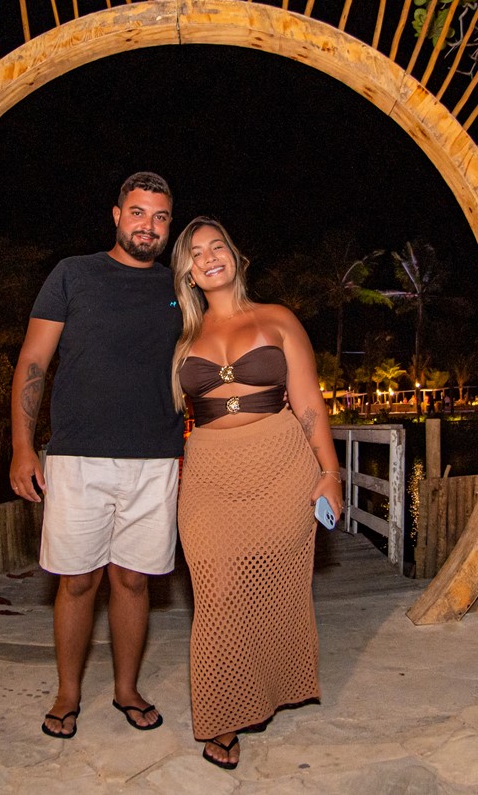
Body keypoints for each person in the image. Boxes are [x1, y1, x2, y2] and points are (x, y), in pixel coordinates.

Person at [9, 171, 184, 740]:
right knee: (78, 581)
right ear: (116, 215)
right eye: (138, 213)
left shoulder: (180, 287)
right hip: (77, 458)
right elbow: (33, 362)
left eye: (160, 217)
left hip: (155, 459)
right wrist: (22, 447)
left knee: (133, 581)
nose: (148, 226)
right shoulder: (73, 274)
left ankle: (126, 689)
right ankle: (67, 693)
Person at [169, 216, 346, 770]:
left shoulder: (278, 318)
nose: (208, 256)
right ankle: (222, 715)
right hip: (209, 472)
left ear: (235, 255)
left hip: (280, 464)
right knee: (216, 591)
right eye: (196, 253)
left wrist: (330, 472)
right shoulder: (182, 340)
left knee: (270, 587)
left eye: (216, 245)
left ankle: (262, 691)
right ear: (188, 273)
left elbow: (309, 403)